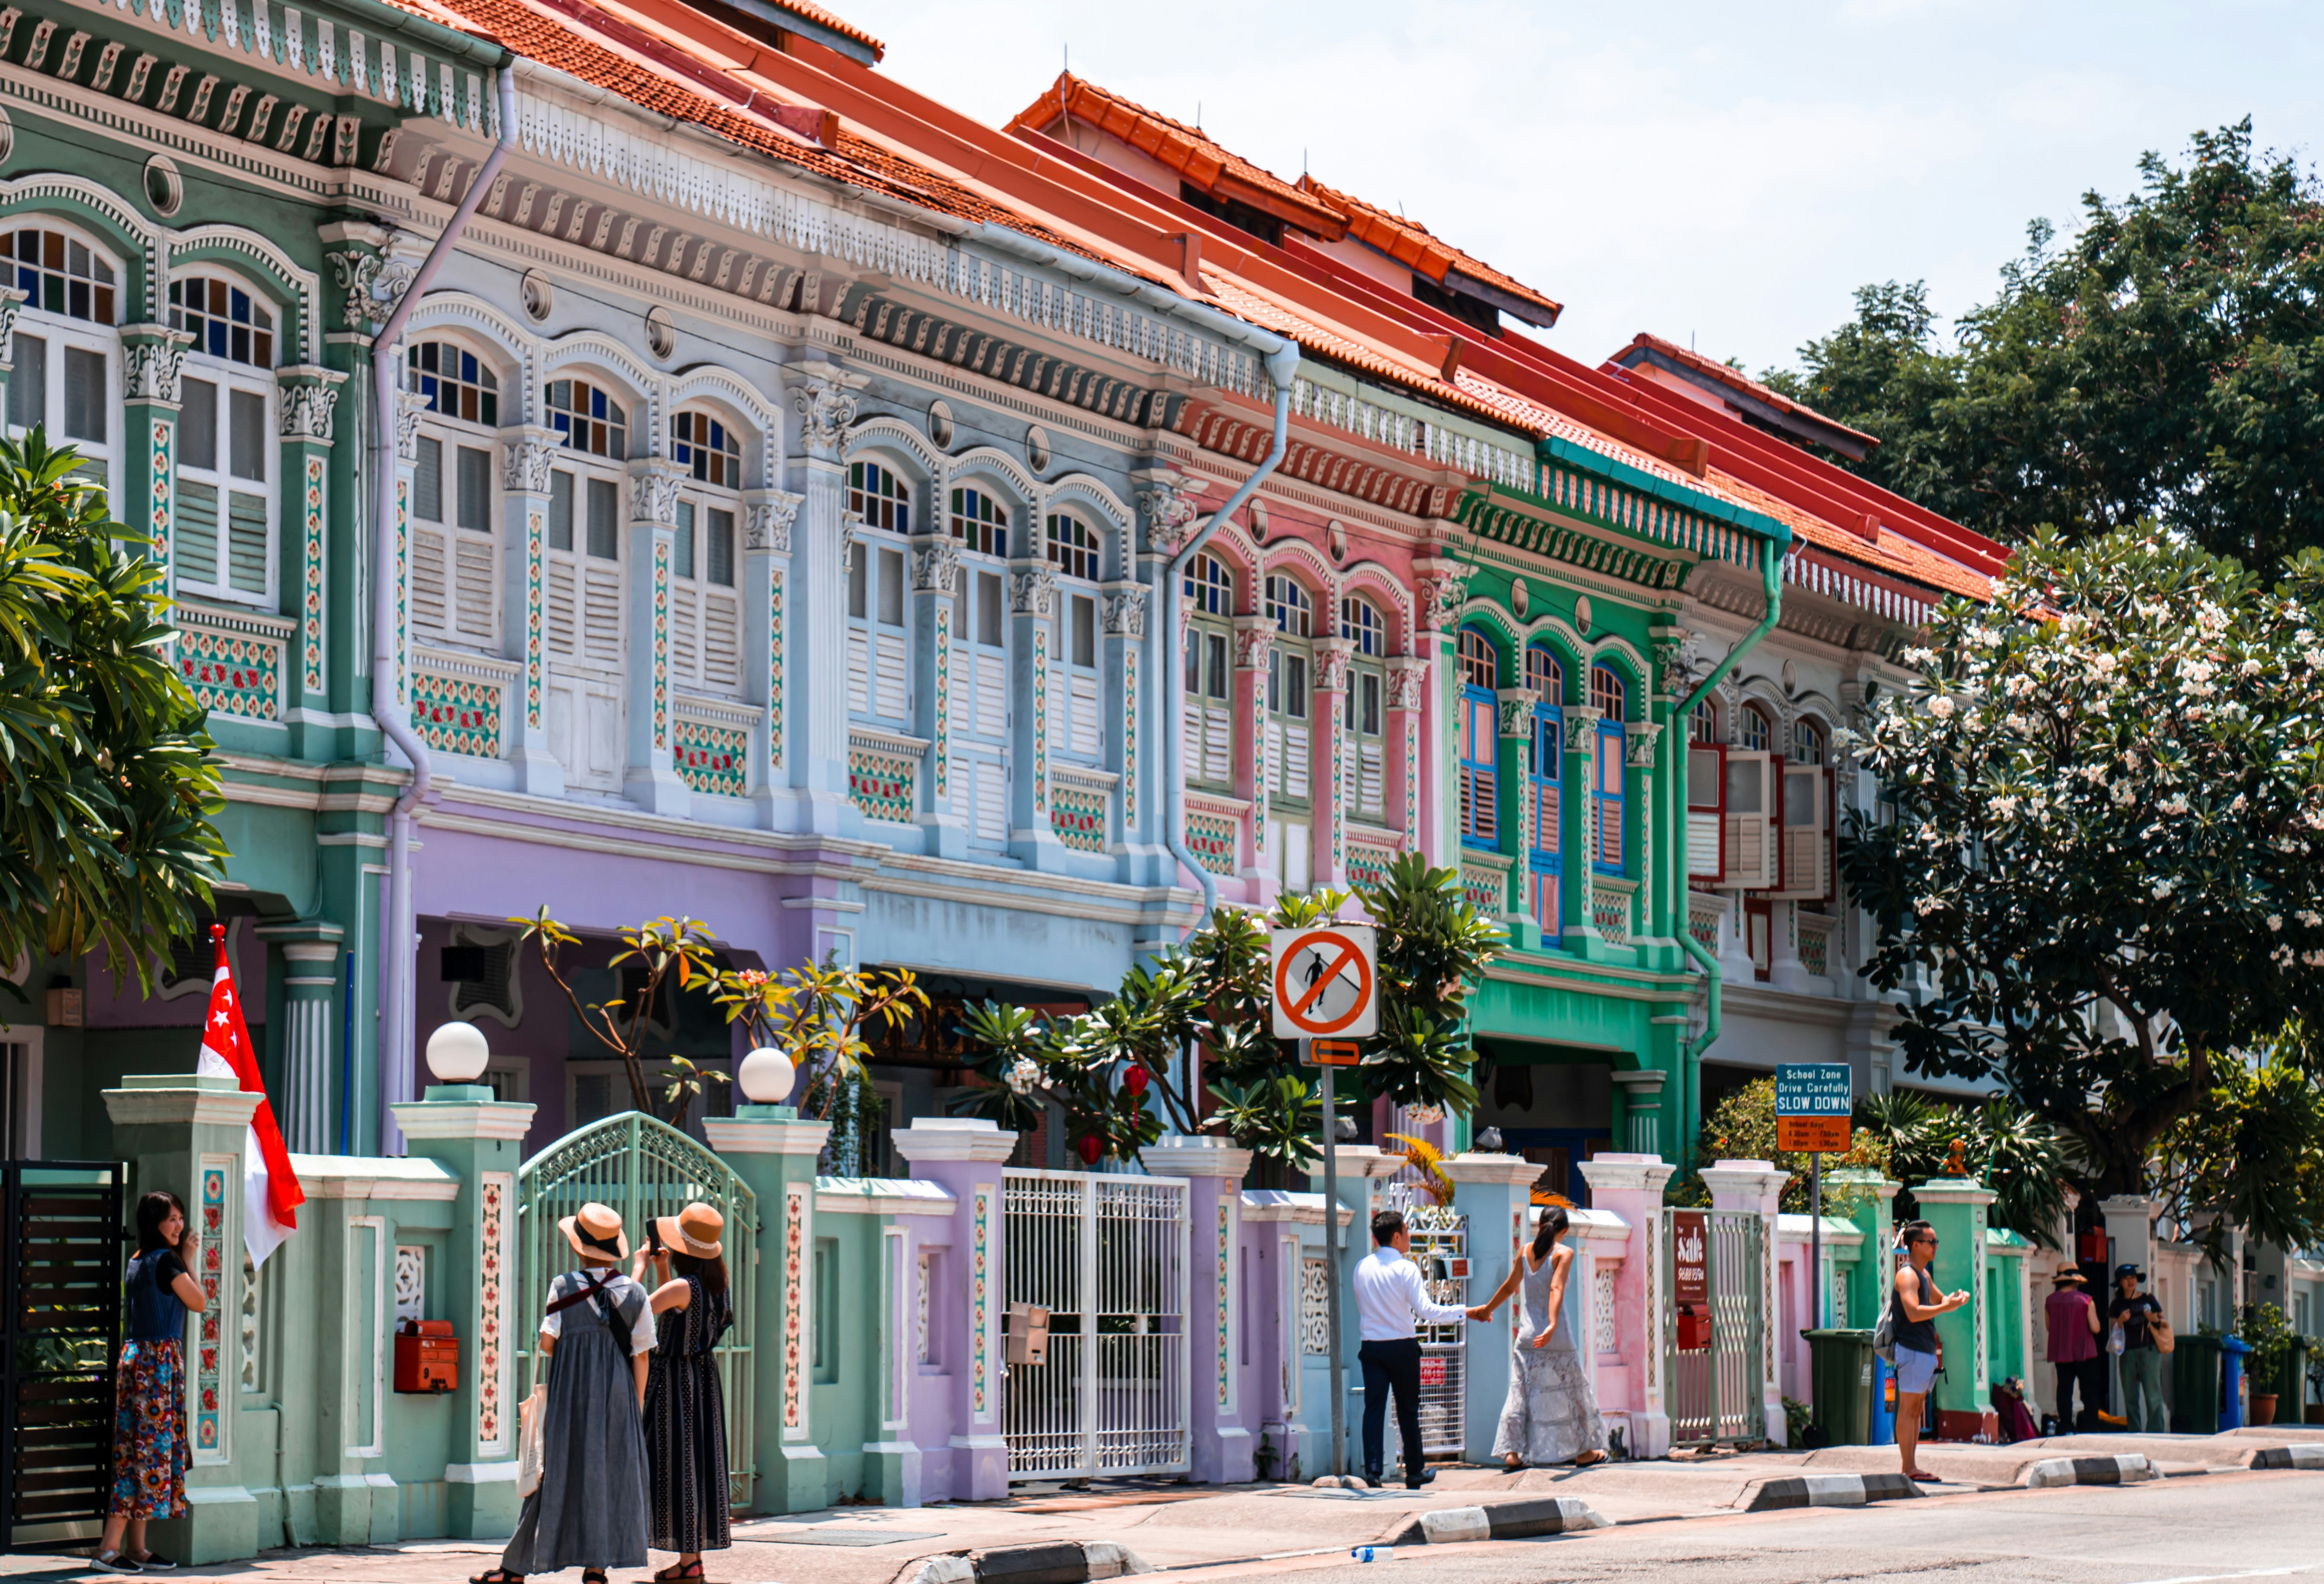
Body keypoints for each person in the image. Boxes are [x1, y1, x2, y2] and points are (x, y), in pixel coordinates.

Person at [472, 1202, 655, 1584]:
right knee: (608, 1477)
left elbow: (547, 1343)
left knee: (552, 1474)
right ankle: (596, 1568)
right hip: (618, 1398)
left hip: (571, 1397)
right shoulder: (636, 1293)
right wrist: (635, 1407)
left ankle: (516, 1569)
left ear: (578, 1247)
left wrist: (579, 1340)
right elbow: (642, 1358)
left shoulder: (563, 1286)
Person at [91, 1191, 208, 1574]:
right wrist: (189, 1260)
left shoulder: (138, 1259)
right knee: (143, 1457)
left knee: (137, 1453)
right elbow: (199, 1302)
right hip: (154, 1371)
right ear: (154, 1222)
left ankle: (137, 1548)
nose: (178, 1225)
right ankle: (109, 1550)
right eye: (171, 1218)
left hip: (140, 1365)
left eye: (180, 1217)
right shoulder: (165, 1263)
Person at [1352, 1207, 1494, 1489]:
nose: (1408, 1236)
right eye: (1406, 1231)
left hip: (1371, 1346)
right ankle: (1414, 1471)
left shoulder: (1362, 1266)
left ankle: (1373, 1471)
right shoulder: (1406, 1268)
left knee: (1374, 1409)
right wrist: (1465, 1311)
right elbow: (1426, 1311)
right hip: (1402, 1347)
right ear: (1396, 1236)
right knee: (1407, 1409)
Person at [636, 1203, 735, 1583]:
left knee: (672, 1465)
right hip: (704, 1382)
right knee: (695, 1465)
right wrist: (663, 1268)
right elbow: (676, 1311)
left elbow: (637, 1314)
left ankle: (688, 1558)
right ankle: (690, 1559)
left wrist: (642, 1266)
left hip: (675, 1384)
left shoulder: (682, 1287)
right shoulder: (717, 1287)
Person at [1472, 1205, 1608, 1470]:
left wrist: (1486, 1309)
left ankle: (1512, 1453)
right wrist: (1553, 1322)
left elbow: (1510, 1286)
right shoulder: (1563, 1253)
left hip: (1526, 1334)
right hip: (1554, 1335)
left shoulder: (1525, 1251)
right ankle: (1583, 1451)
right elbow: (1556, 1286)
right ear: (1565, 1230)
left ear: (1539, 1225)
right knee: (1572, 1390)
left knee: (1519, 1391)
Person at [1888, 1220, 1969, 1483]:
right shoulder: (1908, 1275)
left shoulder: (1924, 1274)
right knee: (1909, 1409)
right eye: (1930, 1242)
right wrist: (1945, 1307)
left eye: (1936, 1242)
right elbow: (1912, 1312)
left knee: (1915, 1408)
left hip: (1923, 1350)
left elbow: (1939, 1299)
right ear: (1915, 1245)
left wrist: (1954, 1300)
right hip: (1911, 1349)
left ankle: (1911, 1466)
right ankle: (1908, 1466)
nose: (1935, 1246)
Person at [2044, 1266, 2105, 1434]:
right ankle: (2092, 1426)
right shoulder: (2085, 1300)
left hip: (2061, 1352)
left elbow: (2050, 1328)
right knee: (2090, 1391)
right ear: (2076, 1281)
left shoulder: (2050, 1301)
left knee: (2064, 1389)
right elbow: (2096, 1327)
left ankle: (2065, 1426)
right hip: (2085, 1352)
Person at [2108, 1264, 2166, 1434]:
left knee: (2153, 1395)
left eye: (2132, 1277)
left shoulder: (2148, 1299)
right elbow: (2113, 1331)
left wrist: (2151, 1317)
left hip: (2149, 1351)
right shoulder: (2117, 1304)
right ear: (2120, 1283)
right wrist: (2120, 1320)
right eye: (2126, 1279)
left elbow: (2162, 1320)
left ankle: (2156, 1433)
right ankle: (2135, 1432)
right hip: (2127, 1353)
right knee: (2130, 1397)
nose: (2130, 1281)